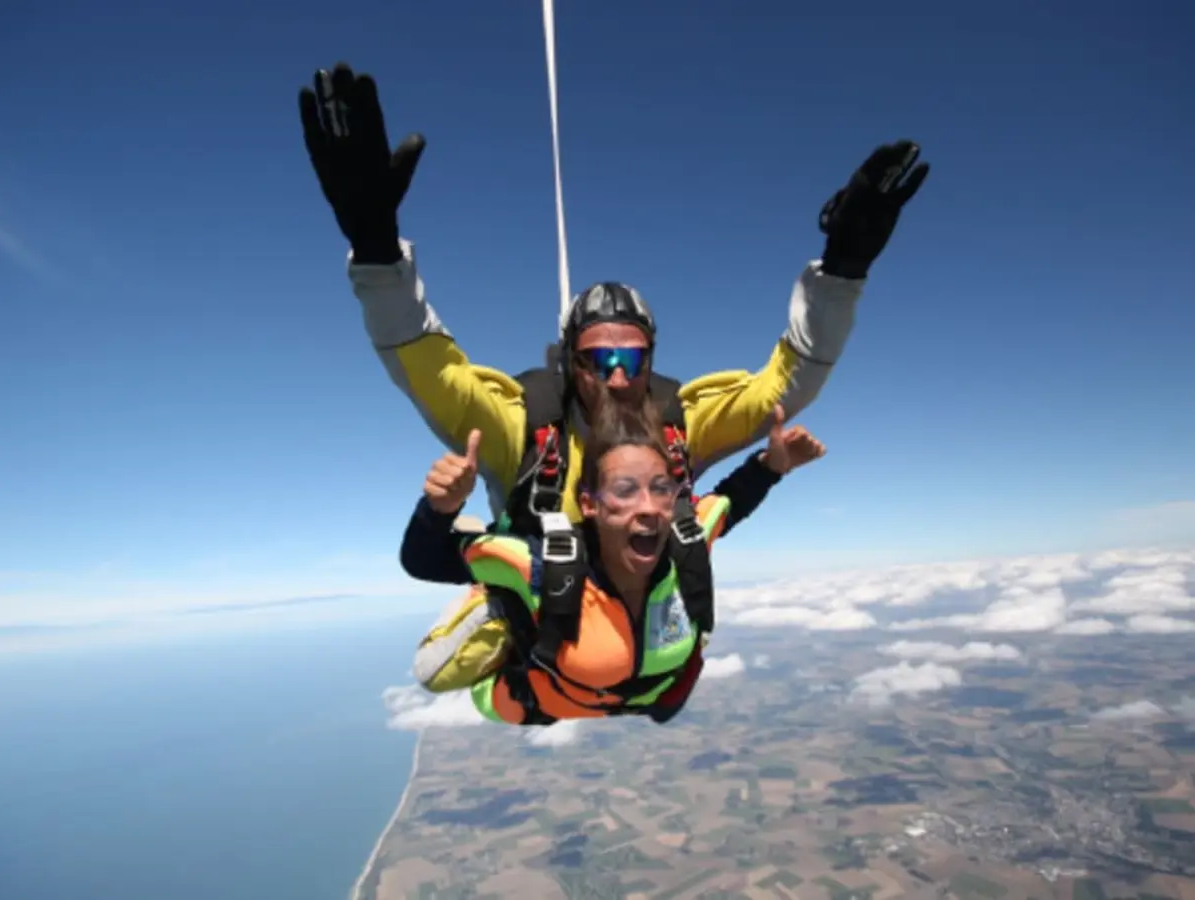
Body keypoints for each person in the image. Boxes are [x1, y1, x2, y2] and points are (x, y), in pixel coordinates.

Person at [298, 62, 929, 536]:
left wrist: (843, 270)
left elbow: (788, 388)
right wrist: (376, 249)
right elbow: (424, 366)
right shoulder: (517, 430)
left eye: (634, 360)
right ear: (571, 363)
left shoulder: (678, 424)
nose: (621, 378)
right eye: (601, 362)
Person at [399, 385, 828, 725]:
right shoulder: (541, 565)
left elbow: (734, 498)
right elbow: (423, 561)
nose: (647, 506)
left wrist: (772, 466)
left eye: (660, 488)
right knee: (433, 672)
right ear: (589, 505)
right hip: (540, 700)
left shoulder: (687, 536)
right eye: (624, 490)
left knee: (663, 702)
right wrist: (440, 509)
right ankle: (498, 601)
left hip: (648, 694)